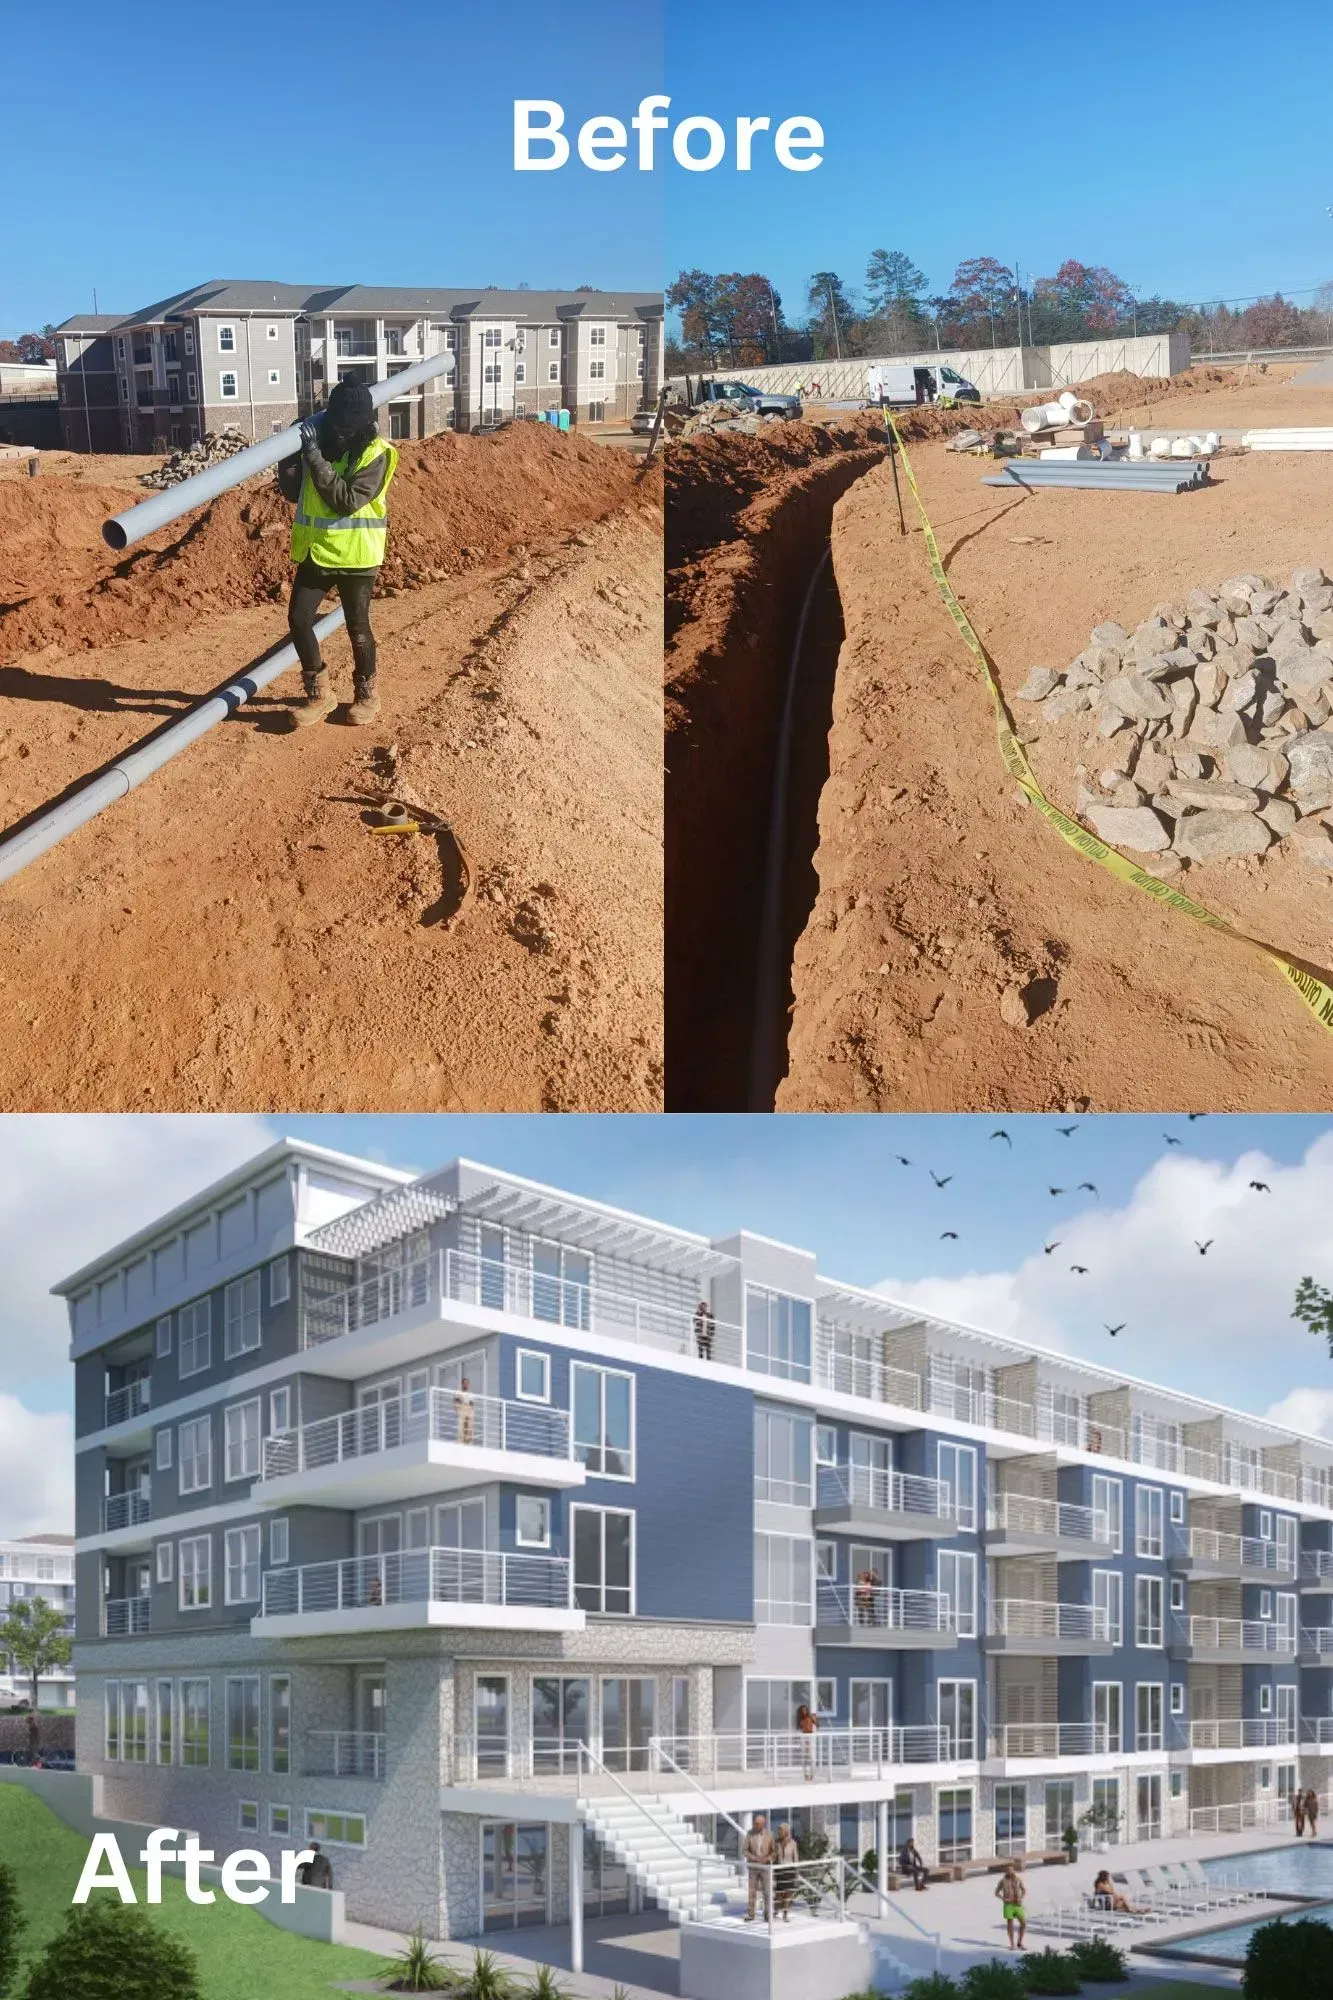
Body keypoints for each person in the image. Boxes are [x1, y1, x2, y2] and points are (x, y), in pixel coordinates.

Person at [277, 378, 398, 729]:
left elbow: (346, 500)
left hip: (358, 558)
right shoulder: (323, 442)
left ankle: (366, 695)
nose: (341, 433)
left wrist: (314, 457)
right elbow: (290, 492)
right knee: (299, 619)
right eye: (337, 425)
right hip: (319, 552)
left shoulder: (378, 454)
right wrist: (290, 454)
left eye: (347, 427)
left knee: (358, 629)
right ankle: (320, 693)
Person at [743, 1814, 775, 1922]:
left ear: (763, 1824)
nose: (755, 1825)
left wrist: (766, 1859)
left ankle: (767, 1915)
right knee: (752, 1892)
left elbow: (774, 1851)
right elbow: (744, 1850)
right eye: (754, 1823)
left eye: (757, 1824)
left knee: (767, 1891)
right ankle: (751, 1914)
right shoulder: (749, 1834)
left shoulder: (769, 1835)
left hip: (765, 1867)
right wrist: (753, 1858)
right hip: (753, 1866)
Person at [995, 1863, 1027, 1950]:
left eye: (1011, 1870)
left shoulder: (1018, 1879)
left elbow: (1024, 1890)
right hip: (1008, 1904)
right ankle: (1012, 1944)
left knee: (1023, 1923)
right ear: (1006, 1871)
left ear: (1013, 1870)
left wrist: (1021, 1898)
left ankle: (1019, 1942)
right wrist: (1003, 1899)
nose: (1010, 1871)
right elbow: (996, 1893)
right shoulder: (1002, 1881)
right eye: (1008, 1870)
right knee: (1010, 1924)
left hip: (1017, 1904)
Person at [774, 1821, 800, 1921]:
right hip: (779, 1870)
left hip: (790, 1870)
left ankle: (785, 1914)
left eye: (780, 1830)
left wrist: (797, 1872)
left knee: (788, 1894)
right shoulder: (776, 1843)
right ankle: (775, 1909)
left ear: (785, 1831)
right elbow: (774, 1857)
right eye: (778, 1830)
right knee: (779, 1894)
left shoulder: (793, 1843)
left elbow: (796, 1858)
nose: (778, 1832)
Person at [796, 1700, 819, 1780]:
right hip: (804, 1736)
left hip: (810, 1736)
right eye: (802, 1711)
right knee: (805, 1757)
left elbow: (818, 1725)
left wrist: (815, 1718)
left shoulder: (811, 1717)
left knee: (811, 1757)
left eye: (805, 1710)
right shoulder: (801, 1720)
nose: (804, 1712)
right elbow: (800, 1729)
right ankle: (806, 1775)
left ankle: (812, 1775)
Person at [454, 1375, 476, 1444]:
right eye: (464, 1383)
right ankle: (460, 1441)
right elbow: (456, 1402)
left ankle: (469, 1441)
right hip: (462, 1409)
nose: (466, 1385)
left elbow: (472, 1404)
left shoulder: (471, 1394)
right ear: (462, 1384)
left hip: (469, 1409)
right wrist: (458, 1409)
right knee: (461, 1426)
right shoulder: (458, 1393)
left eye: (467, 1383)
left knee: (469, 1426)